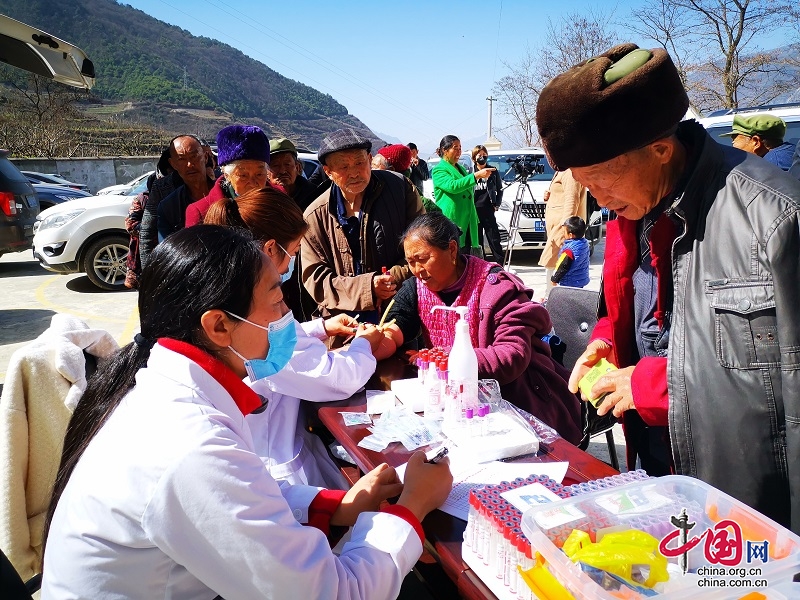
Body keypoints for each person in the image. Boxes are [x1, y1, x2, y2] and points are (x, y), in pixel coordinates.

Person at [41, 225, 452, 599]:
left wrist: (334, 504)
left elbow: (242, 493)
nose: (288, 318)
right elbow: (334, 592)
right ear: (219, 326)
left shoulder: (166, 392)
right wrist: (412, 506)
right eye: (276, 300)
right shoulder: (191, 444)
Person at [536, 42, 800, 530]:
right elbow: (635, 306)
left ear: (660, 148)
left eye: (600, 180)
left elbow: (781, 385)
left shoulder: (776, 218)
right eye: (584, 185)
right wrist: (607, 339)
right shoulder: (630, 211)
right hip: (660, 467)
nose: (598, 201)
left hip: (744, 501)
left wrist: (652, 385)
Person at [203, 187, 384, 488]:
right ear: (271, 249)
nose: (290, 266)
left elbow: (287, 347)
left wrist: (320, 328)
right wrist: (366, 344)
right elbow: (333, 378)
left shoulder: (226, 292)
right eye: (295, 252)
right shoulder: (257, 313)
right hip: (274, 469)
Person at [374, 213, 582, 444]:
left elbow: (511, 355)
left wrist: (447, 358)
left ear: (452, 250)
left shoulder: (497, 286)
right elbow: (396, 325)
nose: (416, 270)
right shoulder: (416, 288)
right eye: (410, 262)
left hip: (517, 405)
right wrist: (372, 340)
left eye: (422, 259)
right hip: (458, 407)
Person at [302, 128, 424, 332]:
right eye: (343, 166)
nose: (354, 172)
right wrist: (368, 288)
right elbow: (315, 278)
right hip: (342, 325)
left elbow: (422, 248)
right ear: (328, 172)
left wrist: (393, 276)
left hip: (397, 317)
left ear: (369, 159)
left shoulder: (400, 189)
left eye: (359, 162)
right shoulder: (315, 215)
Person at [184, 124, 271, 227]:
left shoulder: (281, 202)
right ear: (226, 175)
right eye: (243, 175)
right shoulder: (201, 212)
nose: (252, 183)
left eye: (259, 174)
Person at [431, 135, 495, 254]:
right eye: (455, 148)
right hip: (453, 218)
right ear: (445, 150)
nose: (459, 152)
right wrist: (476, 175)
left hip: (468, 217)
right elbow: (453, 186)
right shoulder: (439, 169)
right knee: (455, 255)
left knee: (468, 255)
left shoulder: (460, 168)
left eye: (460, 148)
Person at [150, 135, 215, 242]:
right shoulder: (168, 207)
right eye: (182, 159)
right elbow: (169, 251)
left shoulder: (227, 194)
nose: (189, 164)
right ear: (173, 164)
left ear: (205, 157)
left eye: (194, 156)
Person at [538, 169, 587, 296]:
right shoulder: (562, 170)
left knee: (555, 266)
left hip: (563, 229)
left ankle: (552, 300)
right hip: (560, 228)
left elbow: (572, 199)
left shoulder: (570, 171)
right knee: (552, 265)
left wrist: (566, 228)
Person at [718, 114, 795, 171]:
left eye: (734, 141)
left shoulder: (771, 166)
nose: (733, 146)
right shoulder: (791, 151)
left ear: (756, 142)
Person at [471, 145, 504, 263]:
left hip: (488, 209)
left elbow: (500, 189)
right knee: (477, 240)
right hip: (474, 210)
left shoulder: (493, 171)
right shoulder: (470, 173)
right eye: (479, 155)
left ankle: (500, 264)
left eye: (484, 155)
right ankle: (481, 263)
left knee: (494, 238)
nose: (482, 157)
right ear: (474, 158)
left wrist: (497, 203)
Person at [267, 137, 320, 212]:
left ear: (298, 167)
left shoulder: (315, 196)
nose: (282, 171)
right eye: (275, 165)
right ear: (266, 172)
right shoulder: (261, 198)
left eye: (287, 164)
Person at [550, 216, 590, 289]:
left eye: (564, 232)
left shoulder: (568, 250)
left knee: (568, 299)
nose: (563, 234)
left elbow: (562, 265)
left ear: (571, 235)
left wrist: (554, 278)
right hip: (580, 280)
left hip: (569, 282)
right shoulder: (584, 243)